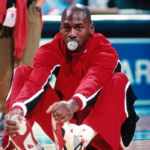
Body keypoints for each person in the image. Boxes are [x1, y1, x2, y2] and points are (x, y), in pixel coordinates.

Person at [2, 3, 139, 150]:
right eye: (67, 27)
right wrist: (18, 109)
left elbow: (94, 79)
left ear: (91, 29)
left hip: (104, 135)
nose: (72, 33)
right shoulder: (52, 48)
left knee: (119, 80)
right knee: (23, 72)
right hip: (67, 130)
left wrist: (73, 104)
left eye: (79, 27)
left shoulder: (104, 49)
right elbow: (36, 80)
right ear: (60, 29)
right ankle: (24, 141)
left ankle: (83, 136)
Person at [0, 0, 46, 131]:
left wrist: (38, 7)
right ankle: (4, 113)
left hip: (29, 7)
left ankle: (25, 114)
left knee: (27, 67)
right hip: (2, 10)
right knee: (2, 68)